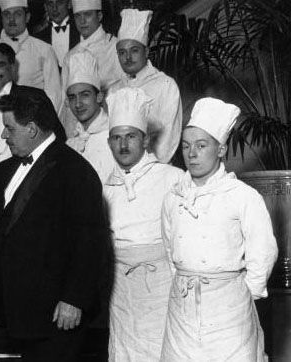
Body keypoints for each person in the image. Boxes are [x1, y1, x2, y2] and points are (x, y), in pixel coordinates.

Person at [0, 87, 110, 362]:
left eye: (9, 127)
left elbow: (89, 242)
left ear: (31, 129)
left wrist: (74, 299)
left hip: (57, 312)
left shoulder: (75, 172)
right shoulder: (13, 167)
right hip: (26, 311)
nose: (4, 135)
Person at [160, 97, 278, 361]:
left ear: (221, 150)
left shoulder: (242, 196)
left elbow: (263, 250)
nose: (191, 154)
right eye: (186, 146)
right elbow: (169, 248)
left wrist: (242, 291)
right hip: (182, 305)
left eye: (201, 146)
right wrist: (184, 278)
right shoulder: (173, 197)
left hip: (229, 308)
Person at [103, 87, 183, 361]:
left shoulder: (172, 178)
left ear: (145, 140)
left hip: (162, 285)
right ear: (109, 142)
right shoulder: (106, 188)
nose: (123, 145)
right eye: (116, 138)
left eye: (131, 137)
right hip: (121, 289)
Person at [0, 42, 65, 214]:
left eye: (0, 65)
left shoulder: (33, 96)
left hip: (20, 173)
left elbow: (57, 138)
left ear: (12, 66)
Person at [109, 8, 182, 164]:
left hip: (156, 170)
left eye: (134, 51)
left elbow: (168, 137)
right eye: (122, 52)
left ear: (146, 51)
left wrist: (150, 169)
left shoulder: (165, 85)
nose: (127, 58)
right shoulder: (113, 90)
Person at [0, 0, 62, 112]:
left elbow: (54, 95)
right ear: (1, 18)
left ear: (27, 17)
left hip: (34, 120)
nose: (11, 19)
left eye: (17, 14)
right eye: (7, 14)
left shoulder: (44, 50)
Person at [59, 0, 122, 136]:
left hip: (110, 123)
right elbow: (67, 102)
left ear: (99, 16)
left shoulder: (115, 47)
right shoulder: (70, 55)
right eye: (77, 16)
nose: (82, 21)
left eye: (87, 15)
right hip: (79, 128)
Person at [64, 51, 114, 182]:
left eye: (85, 95)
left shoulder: (114, 137)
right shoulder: (71, 143)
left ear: (99, 97)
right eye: (72, 97)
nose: (78, 104)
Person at [32, 0, 80, 69]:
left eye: (60, 2)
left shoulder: (81, 32)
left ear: (69, 4)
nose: (54, 8)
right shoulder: (38, 38)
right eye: (50, 3)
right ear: (45, 7)